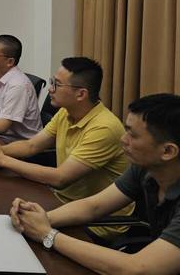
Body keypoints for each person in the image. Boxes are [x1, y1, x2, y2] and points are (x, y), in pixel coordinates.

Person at [10, 94, 180, 274]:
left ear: (168, 151)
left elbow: (138, 269)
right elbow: (94, 206)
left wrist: (48, 234)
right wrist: (39, 218)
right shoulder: (144, 169)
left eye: (133, 135)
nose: (123, 139)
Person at [0, 57, 133, 240]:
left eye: (57, 84)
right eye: (51, 82)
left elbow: (60, 178)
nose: (50, 89)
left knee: (11, 231)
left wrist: (1, 159)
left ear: (81, 94)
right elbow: (31, 145)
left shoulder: (104, 128)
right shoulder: (66, 112)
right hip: (60, 201)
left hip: (96, 222)